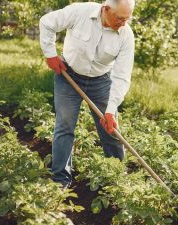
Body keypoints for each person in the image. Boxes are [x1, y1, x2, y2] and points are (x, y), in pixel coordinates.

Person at [39, 0, 135, 188]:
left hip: (101, 81)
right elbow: (47, 22)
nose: (123, 23)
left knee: (110, 129)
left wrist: (111, 109)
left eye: (127, 18)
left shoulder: (126, 35)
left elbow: (122, 76)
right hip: (69, 76)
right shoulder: (80, 12)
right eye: (120, 18)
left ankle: (117, 178)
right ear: (106, 9)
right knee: (64, 126)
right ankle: (60, 180)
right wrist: (50, 54)